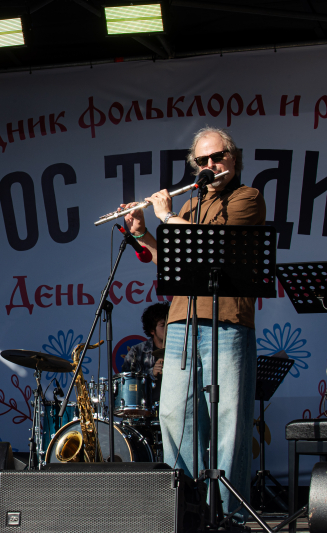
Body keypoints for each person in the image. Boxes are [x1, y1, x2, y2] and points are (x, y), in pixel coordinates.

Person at [121, 127, 265, 518]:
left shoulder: (247, 197)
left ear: (233, 158)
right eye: (202, 160)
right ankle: (185, 510)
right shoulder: (191, 206)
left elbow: (215, 246)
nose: (210, 165)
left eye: (218, 157)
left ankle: (230, 515)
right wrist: (143, 234)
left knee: (228, 421)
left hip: (228, 321)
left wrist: (167, 216)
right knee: (174, 415)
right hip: (182, 321)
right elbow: (169, 260)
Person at [121, 302, 168, 405]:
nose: (168, 328)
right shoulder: (137, 351)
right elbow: (127, 382)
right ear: (152, 330)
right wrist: (151, 373)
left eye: (169, 324)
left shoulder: (181, 350)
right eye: (163, 325)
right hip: (146, 408)